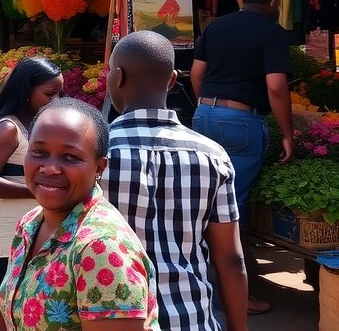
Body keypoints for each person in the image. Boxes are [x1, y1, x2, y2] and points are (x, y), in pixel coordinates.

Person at [104, 31, 247, 331]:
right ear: (172, 81)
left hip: (116, 320)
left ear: (117, 76)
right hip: (193, 319)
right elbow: (231, 260)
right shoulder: (213, 156)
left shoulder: (95, 155)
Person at [0, 98, 159, 331]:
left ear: (99, 167)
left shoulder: (102, 248)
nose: (50, 167)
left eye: (69, 157)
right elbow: (3, 308)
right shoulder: (31, 223)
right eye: (38, 152)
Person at [191, 0, 292, 316]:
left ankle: (201, 285)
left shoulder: (215, 27)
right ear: (274, 1)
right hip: (241, 123)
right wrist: (289, 133)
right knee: (231, 211)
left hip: (204, 115)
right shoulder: (273, 33)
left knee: (201, 202)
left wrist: (207, 108)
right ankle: (234, 296)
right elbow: (276, 86)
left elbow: (196, 75)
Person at [0, 56, 63, 316]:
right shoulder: (8, 128)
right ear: (26, 90)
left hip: (24, 221)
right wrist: (38, 192)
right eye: (49, 94)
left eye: (59, 94)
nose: (55, 101)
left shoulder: (32, 125)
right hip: (1, 222)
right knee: (5, 295)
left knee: (15, 295)